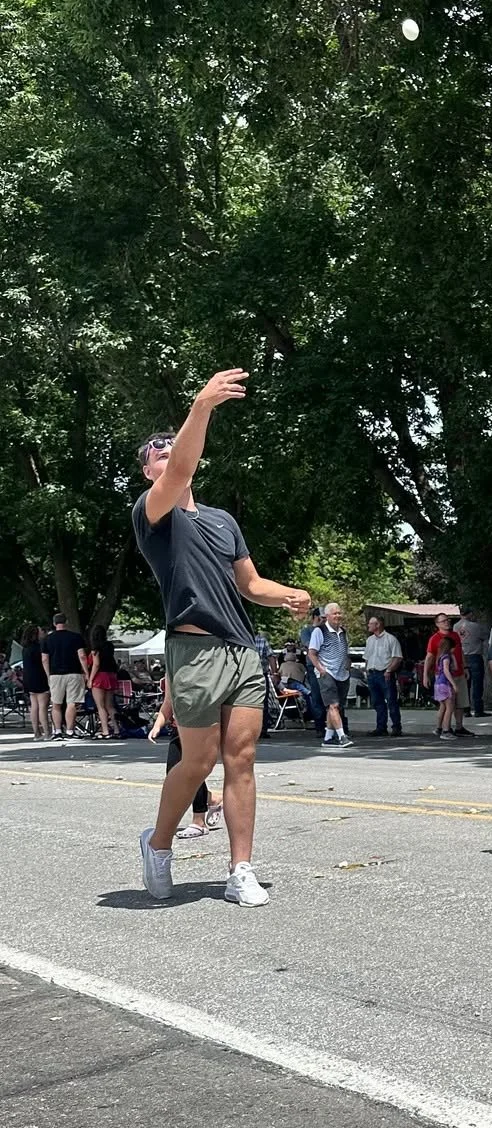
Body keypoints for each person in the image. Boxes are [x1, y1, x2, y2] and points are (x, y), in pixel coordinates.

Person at [132, 369, 311, 906]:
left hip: (240, 651)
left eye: (172, 449)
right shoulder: (153, 514)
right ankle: (158, 845)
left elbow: (250, 585)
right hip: (194, 651)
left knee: (243, 759)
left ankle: (240, 869)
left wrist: (289, 595)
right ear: (148, 474)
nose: (169, 455)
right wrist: (202, 406)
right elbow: (183, 465)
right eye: (157, 454)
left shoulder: (221, 520)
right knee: (197, 761)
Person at [148, 688, 222, 838]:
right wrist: (157, 725)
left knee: (193, 773)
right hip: (179, 728)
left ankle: (199, 821)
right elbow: (168, 701)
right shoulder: (172, 670)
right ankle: (212, 798)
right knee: (174, 773)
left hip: (200, 726)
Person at [306, 603, 353, 748]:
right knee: (333, 705)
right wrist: (321, 669)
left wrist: (348, 664)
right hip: (327, 672)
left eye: (339, 613)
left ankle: (328, 738)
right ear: (327, 616)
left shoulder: (343, 631)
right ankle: (342, 736)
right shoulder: (319, 631)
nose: (338, 616)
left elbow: (345, 652)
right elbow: (312, 653)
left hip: (342, 673)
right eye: (334, 613)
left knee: (336, 708)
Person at [42, 611, 89, 739]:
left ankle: (57, 731)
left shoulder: (47, 639)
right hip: (74, 673)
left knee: (56, 703)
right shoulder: (76, 637)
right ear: (66, 622)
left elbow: (45, 659)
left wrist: (48, 675)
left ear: (54, 623)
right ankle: (70, 731)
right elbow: (82, 656)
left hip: (55, 674)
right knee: (72, 703)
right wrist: (86, 672)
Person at [424, 612, 466, 739]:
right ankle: (446, 730)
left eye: (448, 620)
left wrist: (465, 667)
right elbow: (429, 657)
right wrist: (425, 675)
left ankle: (449, 727)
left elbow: (461, 652)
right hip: (446, 680)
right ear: (437, 624)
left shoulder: (455, 636)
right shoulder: (435, 639)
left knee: (458, 703)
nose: (447, 622)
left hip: (456, 675)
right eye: (443, 621)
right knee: (449, 705)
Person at [363, 613, 404, 736]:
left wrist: (389, 670)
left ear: (378, 624)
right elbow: (367, 657)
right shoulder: (369, 640)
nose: (368, 626)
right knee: (377, 702)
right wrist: (366, 670)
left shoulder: (390, 639)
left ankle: (396, 727)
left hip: (384, 673)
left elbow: (397, 657)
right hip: (372, 673)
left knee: (391, 700)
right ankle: (381, 727)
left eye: (371, 623)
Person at [82, 626, 121, 738]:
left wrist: (90, 679)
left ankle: (105, 731)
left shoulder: (95, 649)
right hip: (111, 675)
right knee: (110, 705)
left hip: (99, 677)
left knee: (100, 706)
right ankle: (116, 729)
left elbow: (96, 664)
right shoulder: (109, 646)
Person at [18, 623, 50, 740]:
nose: (42, 632)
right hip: (39, 677)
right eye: (41, 631)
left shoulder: (25, 649)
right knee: (43, 706)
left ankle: (37, 732)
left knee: (34, 705)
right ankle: (47, 732)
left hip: (28, 678)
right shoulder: (39, 647)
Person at [456, 607, 488, 716]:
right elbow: (484, 636)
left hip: (461, 657)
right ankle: (478, 709)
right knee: (477, 684)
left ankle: (466, 709)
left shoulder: (455, 627)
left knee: (465, 685)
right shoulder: (476, 626)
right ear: (470, 614)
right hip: (474, 656)